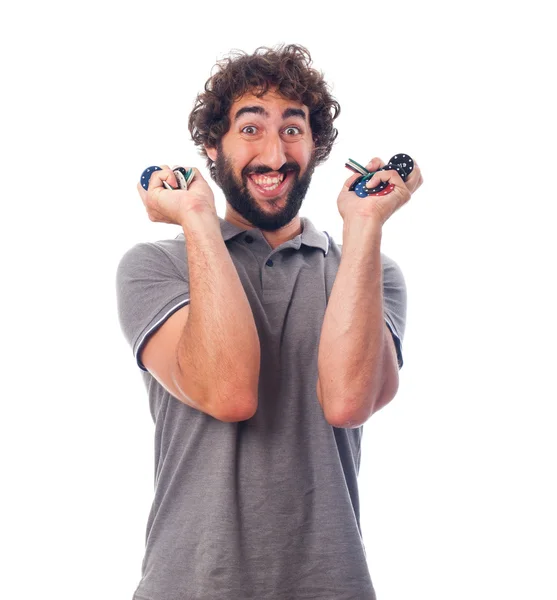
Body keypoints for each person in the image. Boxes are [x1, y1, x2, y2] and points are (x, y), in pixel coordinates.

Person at [116, 43, 422, 600]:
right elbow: (229, 391)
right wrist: (197, 221)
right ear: (213, 145)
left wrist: (365, 226)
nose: (275, 151)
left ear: (315, 145)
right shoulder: (155, 267)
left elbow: (348, 403)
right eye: (251, 129)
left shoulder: (371, 271)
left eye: (293, 128)